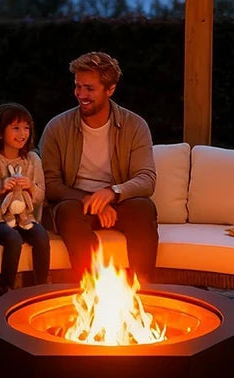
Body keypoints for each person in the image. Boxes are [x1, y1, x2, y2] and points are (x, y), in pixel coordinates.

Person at [39, 52, 158, 282]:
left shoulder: (135, 126)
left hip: (118, 204)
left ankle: (143, 293)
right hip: (75, 206)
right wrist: (92, 201)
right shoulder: (57, 127)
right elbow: (50, 185)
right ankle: (89, 295)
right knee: (67, 212)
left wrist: (111, 194)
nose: (81, 94)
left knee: (143, 208)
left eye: (89, 89)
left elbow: (146, 178)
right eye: (77, 86)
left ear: (110, 89)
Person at [0, 103, 50, 293]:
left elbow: (40, 197)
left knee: (41, 236)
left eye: (26, 127)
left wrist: (31, 187)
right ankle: (5, 291)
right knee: (12, 238)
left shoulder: (32, 159)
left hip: (25, 219)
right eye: (15, 127)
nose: (22, 133)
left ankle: (41, 288)